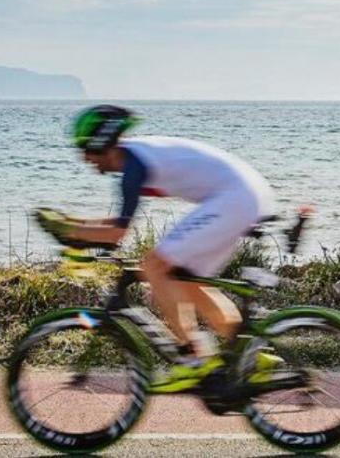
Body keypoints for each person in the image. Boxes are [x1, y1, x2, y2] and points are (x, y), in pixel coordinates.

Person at [52, 104, 279, 390]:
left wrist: (67, 230)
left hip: (234, 198)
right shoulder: (134, 158)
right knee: (188, 283)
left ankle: (192, 360)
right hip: (243, 196)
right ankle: (254, 358)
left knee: (154, 264)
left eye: (86, 149)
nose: (85, 159)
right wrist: (75, 227)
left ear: (101, 142)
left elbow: (117, 234)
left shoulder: (134, 165)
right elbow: (116, 225)